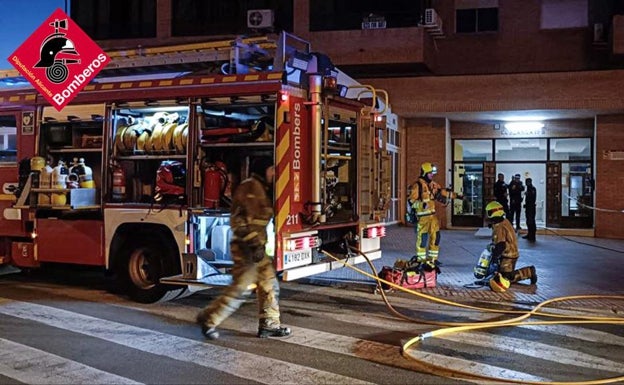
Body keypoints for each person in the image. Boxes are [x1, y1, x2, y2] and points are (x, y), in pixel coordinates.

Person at [196, 156, 291, 340]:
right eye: (272, 169)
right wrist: (254, 244)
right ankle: (208, 319)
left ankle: (269, 324)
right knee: (240, 288)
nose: (274, 173)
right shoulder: (250, 187)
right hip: (247, 248)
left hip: (257, 249)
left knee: (269, 285)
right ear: (265, 169)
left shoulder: (262, 188)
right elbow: (239, 221)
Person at [408, 162, 463, 270]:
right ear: (424, 173)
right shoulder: (417, 186)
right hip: (422, 218)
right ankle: (421, 260)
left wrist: (457, 196)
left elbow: (443, 192)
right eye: (430, 173)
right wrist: (421, 204)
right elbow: (410, 201)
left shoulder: (433, 185)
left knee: (436, 238)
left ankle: (433, 259)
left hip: (433, 217)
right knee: (422, 240)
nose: (432, 176)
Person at [485, 201, 537, 286]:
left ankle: (529, 272)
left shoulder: (499, 227)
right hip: (509, 253)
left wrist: (494, 257)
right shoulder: (504, 221)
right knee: (500, 274)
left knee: (506, 278)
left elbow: (501, 244)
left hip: (508, 255)